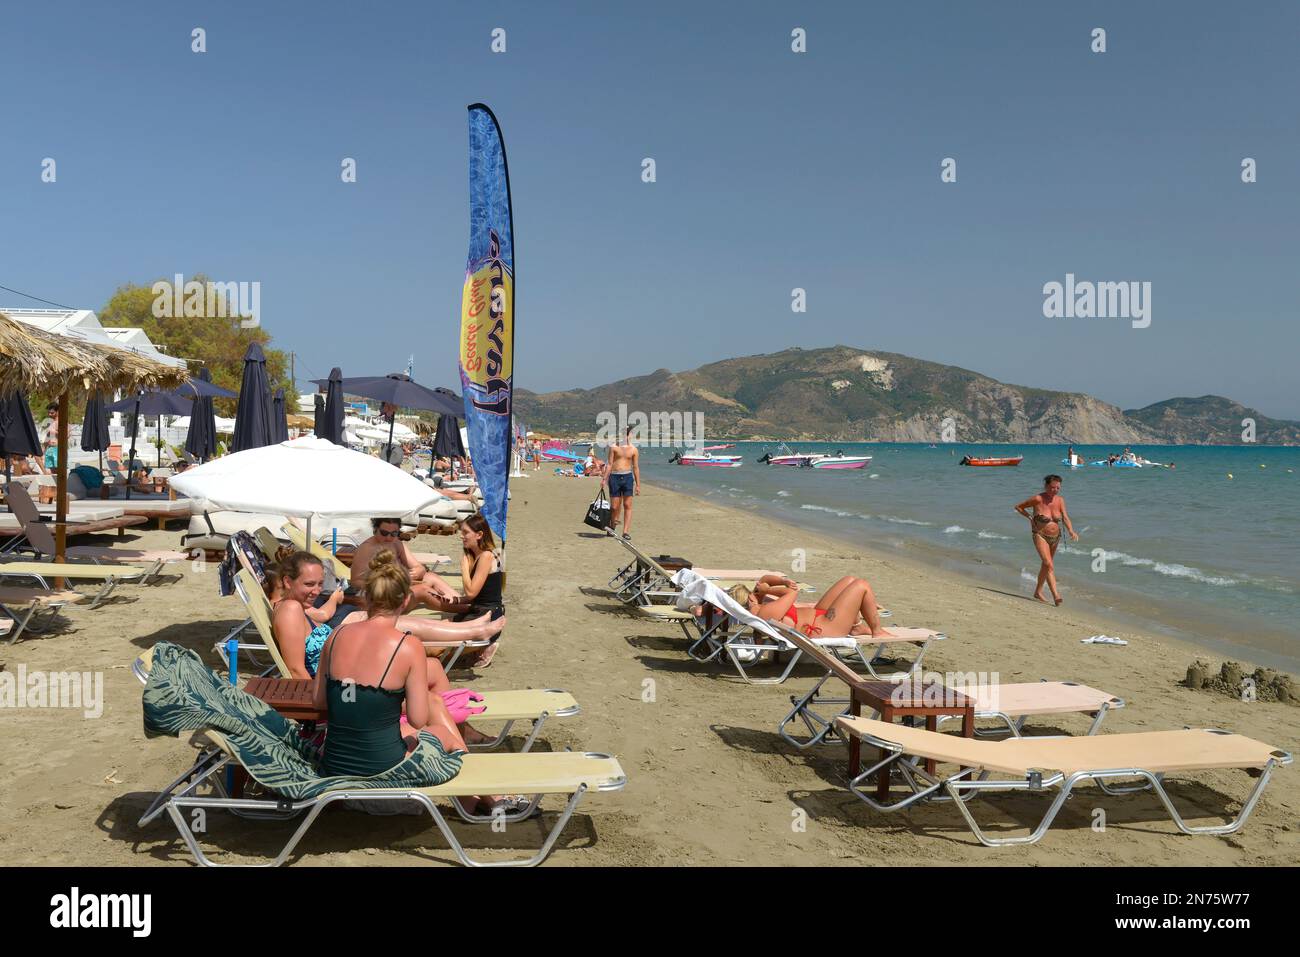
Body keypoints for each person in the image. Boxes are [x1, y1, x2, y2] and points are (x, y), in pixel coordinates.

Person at [728, 574, 893, 639]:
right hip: (824, 627)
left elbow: (764, 579)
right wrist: (769, 590)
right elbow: (792, 593)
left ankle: (856, 626)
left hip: (819, 616)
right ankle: (877, 631)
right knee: (862, 585)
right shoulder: (765, 613)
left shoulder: (759, 609)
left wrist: (782, 581)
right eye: (753, 592)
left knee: (849, 581)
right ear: (750, 598)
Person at [350, 518, 461, 612]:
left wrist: (418, 571)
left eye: (394, 533)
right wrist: (386, 583)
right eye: (384, 533)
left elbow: (418, 567)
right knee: (423, 590)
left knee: (430, 577)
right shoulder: (366, 549)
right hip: (380, 596)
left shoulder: (396, 543)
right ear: (375, 530)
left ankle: (462, 601)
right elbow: (355, 581)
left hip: (399, 588)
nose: (389, 537)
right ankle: (463, 609)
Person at [1014, 474, 1079, 606]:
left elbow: (1065, 517)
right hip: (1040, 534)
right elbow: (1019, 507)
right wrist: (1030, 517)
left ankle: (1037, 592)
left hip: (1055, 537)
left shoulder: (1060, 500)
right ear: (1046, 486)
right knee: (1049, 564)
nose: (1055, 490)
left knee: (1046, 565)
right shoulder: (1038, 499)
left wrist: (1071, 530)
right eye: (1053, 487)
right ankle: (1056, 596)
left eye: (1058, 488)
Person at [604, 427, 640, 538]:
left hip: (628, 477)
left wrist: (638, 485)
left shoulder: (634, 450)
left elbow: (635, 467)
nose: (625, 437)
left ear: (630, 435)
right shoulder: (614, 447)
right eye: (623, 434)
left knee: (627, 505)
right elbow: (609, 464)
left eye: (627, 435)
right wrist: (604, 479)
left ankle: (625, 532)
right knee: (614, 507)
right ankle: (612, 526)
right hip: (614, 477)